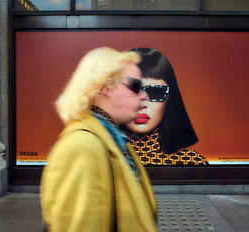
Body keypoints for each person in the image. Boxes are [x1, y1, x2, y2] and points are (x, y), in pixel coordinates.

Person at [40, 47, 158, 232]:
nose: (144, 95)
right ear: (106, 88)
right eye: (136, 86)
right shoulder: (81, 147)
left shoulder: (111, 139)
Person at [124, 48, 208, 166]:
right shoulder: (99, 159)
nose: (142, 104)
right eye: (133, 90)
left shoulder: (191, 162)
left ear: (170, 98)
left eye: (156, 92)